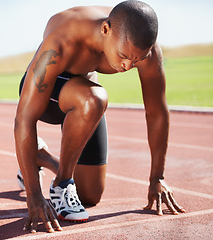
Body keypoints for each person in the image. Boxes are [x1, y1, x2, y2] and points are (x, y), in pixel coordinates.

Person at [14, 0, 185, 234]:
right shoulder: (62, 40)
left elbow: (156, 112)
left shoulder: (147, 51)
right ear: (106, 30)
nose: (127, 65)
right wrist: (34, 195)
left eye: (136, 60)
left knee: (90, 195)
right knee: (96, 98)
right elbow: (24, 117)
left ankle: (41, 157)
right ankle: (61, 185)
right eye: (124, 55)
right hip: (49, 91)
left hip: (84, 91)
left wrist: (157, 177)